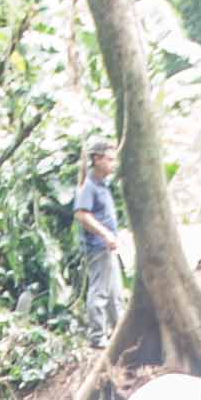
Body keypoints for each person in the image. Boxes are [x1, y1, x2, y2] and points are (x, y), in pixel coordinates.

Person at [74, 138, 124, 347]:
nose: (113, 164)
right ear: (97, 159)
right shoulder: (89, 186)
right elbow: (81, 215)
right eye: (109, 159)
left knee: (115, 293)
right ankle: (97, 336)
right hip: (98, 247)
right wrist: (105, 234)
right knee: (100, 292)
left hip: (107, 247)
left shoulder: (102, 185)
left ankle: (119, 331)